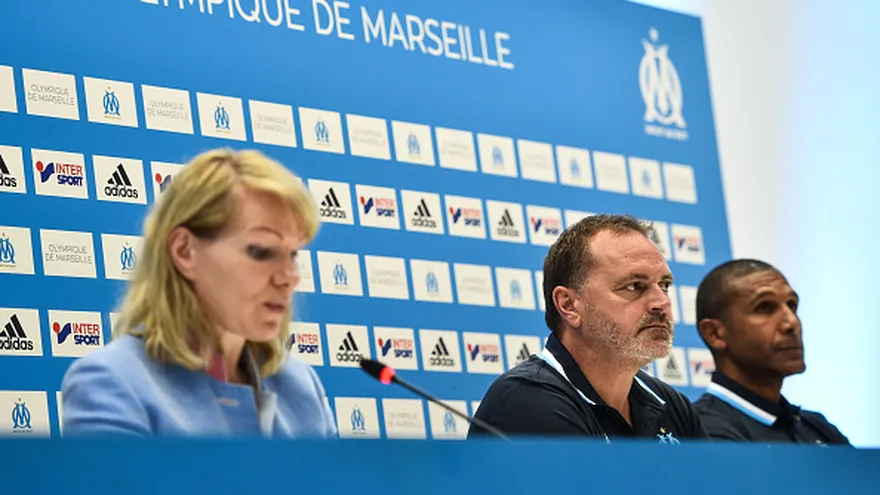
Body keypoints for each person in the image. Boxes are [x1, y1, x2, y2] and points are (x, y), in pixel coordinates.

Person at [61, 149, 337, 438]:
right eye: (262, 251)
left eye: (293, 254)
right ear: (184, 251)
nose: (290, 277)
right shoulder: (113, 382)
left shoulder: (302, 386)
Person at [469, 214, 707, 441]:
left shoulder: (672, 405)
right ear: (569, 305)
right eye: (634, 286)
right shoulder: (526, 400)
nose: (661, 303)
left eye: (664, 285)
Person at [693, 259, 849, 445]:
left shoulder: (816, 427)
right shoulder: (703, 431)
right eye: (764, 307)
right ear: (715, 333)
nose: (791, 323)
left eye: (792, 305)